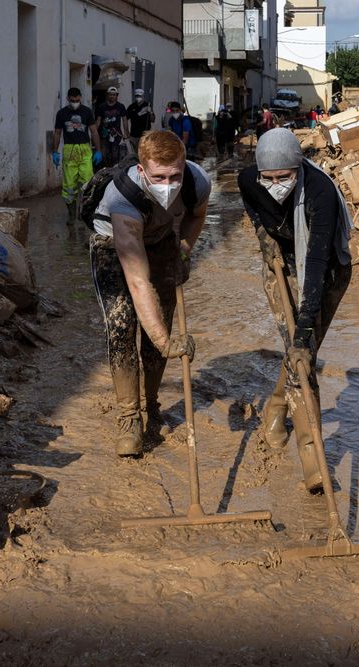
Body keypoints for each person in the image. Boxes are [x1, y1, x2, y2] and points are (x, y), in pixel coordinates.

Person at [237, 128, 352, 493]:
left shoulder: (319, 193)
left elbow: (316, 262)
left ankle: (275, 408)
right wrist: (262, 236)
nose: (275, 185)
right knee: (300, 360)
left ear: (298, 167)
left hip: (327, 268)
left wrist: (304, 331)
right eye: (268, 178)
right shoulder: (247, 179)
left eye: (283, 177)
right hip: (281, 264)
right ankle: (313, 461)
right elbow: (252, 203)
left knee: (302, 351)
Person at [90, 131, 211, 457]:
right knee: (122, 326)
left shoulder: (197, 182)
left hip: (160, 243)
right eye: (159, 177)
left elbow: (197, 216)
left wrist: (183, 253)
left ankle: (152, 403)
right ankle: (129, 416)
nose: (168, 184)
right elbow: (138, 280)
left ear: (184, 166)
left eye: (175, 175)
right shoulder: (123, 197)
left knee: (162, 320)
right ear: (143, 172)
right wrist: (164, 341)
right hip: (113, 245)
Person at [52, 87, 102, 218]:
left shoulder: (87, 112)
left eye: (78, 100)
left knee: (88, 183)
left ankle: (84, 212)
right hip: (69, 150)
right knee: (69, 186)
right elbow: (57, 133)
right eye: (73, 100)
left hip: (85, 150)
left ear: (80, 98)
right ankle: (71, 215)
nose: (75, 103)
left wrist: (98, 150)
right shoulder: (61, 114)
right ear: (68, 99)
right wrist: (54, 151)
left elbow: (94, 131)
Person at [95, 87, 128, 168]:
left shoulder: (120, 106)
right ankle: (106, 171)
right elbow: (98, 121)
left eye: (114, 95)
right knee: (104, 155)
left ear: (116, 96)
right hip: (104, 134)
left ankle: (115, 171)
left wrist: (126, 133)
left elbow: (124, 120)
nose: (112, 96)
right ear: (107, 95)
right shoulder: (101, 107)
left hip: (117, 134)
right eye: (110, 94)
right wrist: (94, 134)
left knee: (116, 155)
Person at [126, 88, 155, 153]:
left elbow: (152, 120)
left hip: (145, 135)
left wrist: (150, 112)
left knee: (144, 153)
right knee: (136, 154)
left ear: (143, 96)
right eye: (137, 96)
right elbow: (125, 119)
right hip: (134, 135)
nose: (138, 97)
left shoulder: (147, 105)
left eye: (140, 96)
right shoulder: (131, 107)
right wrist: (127, 132)